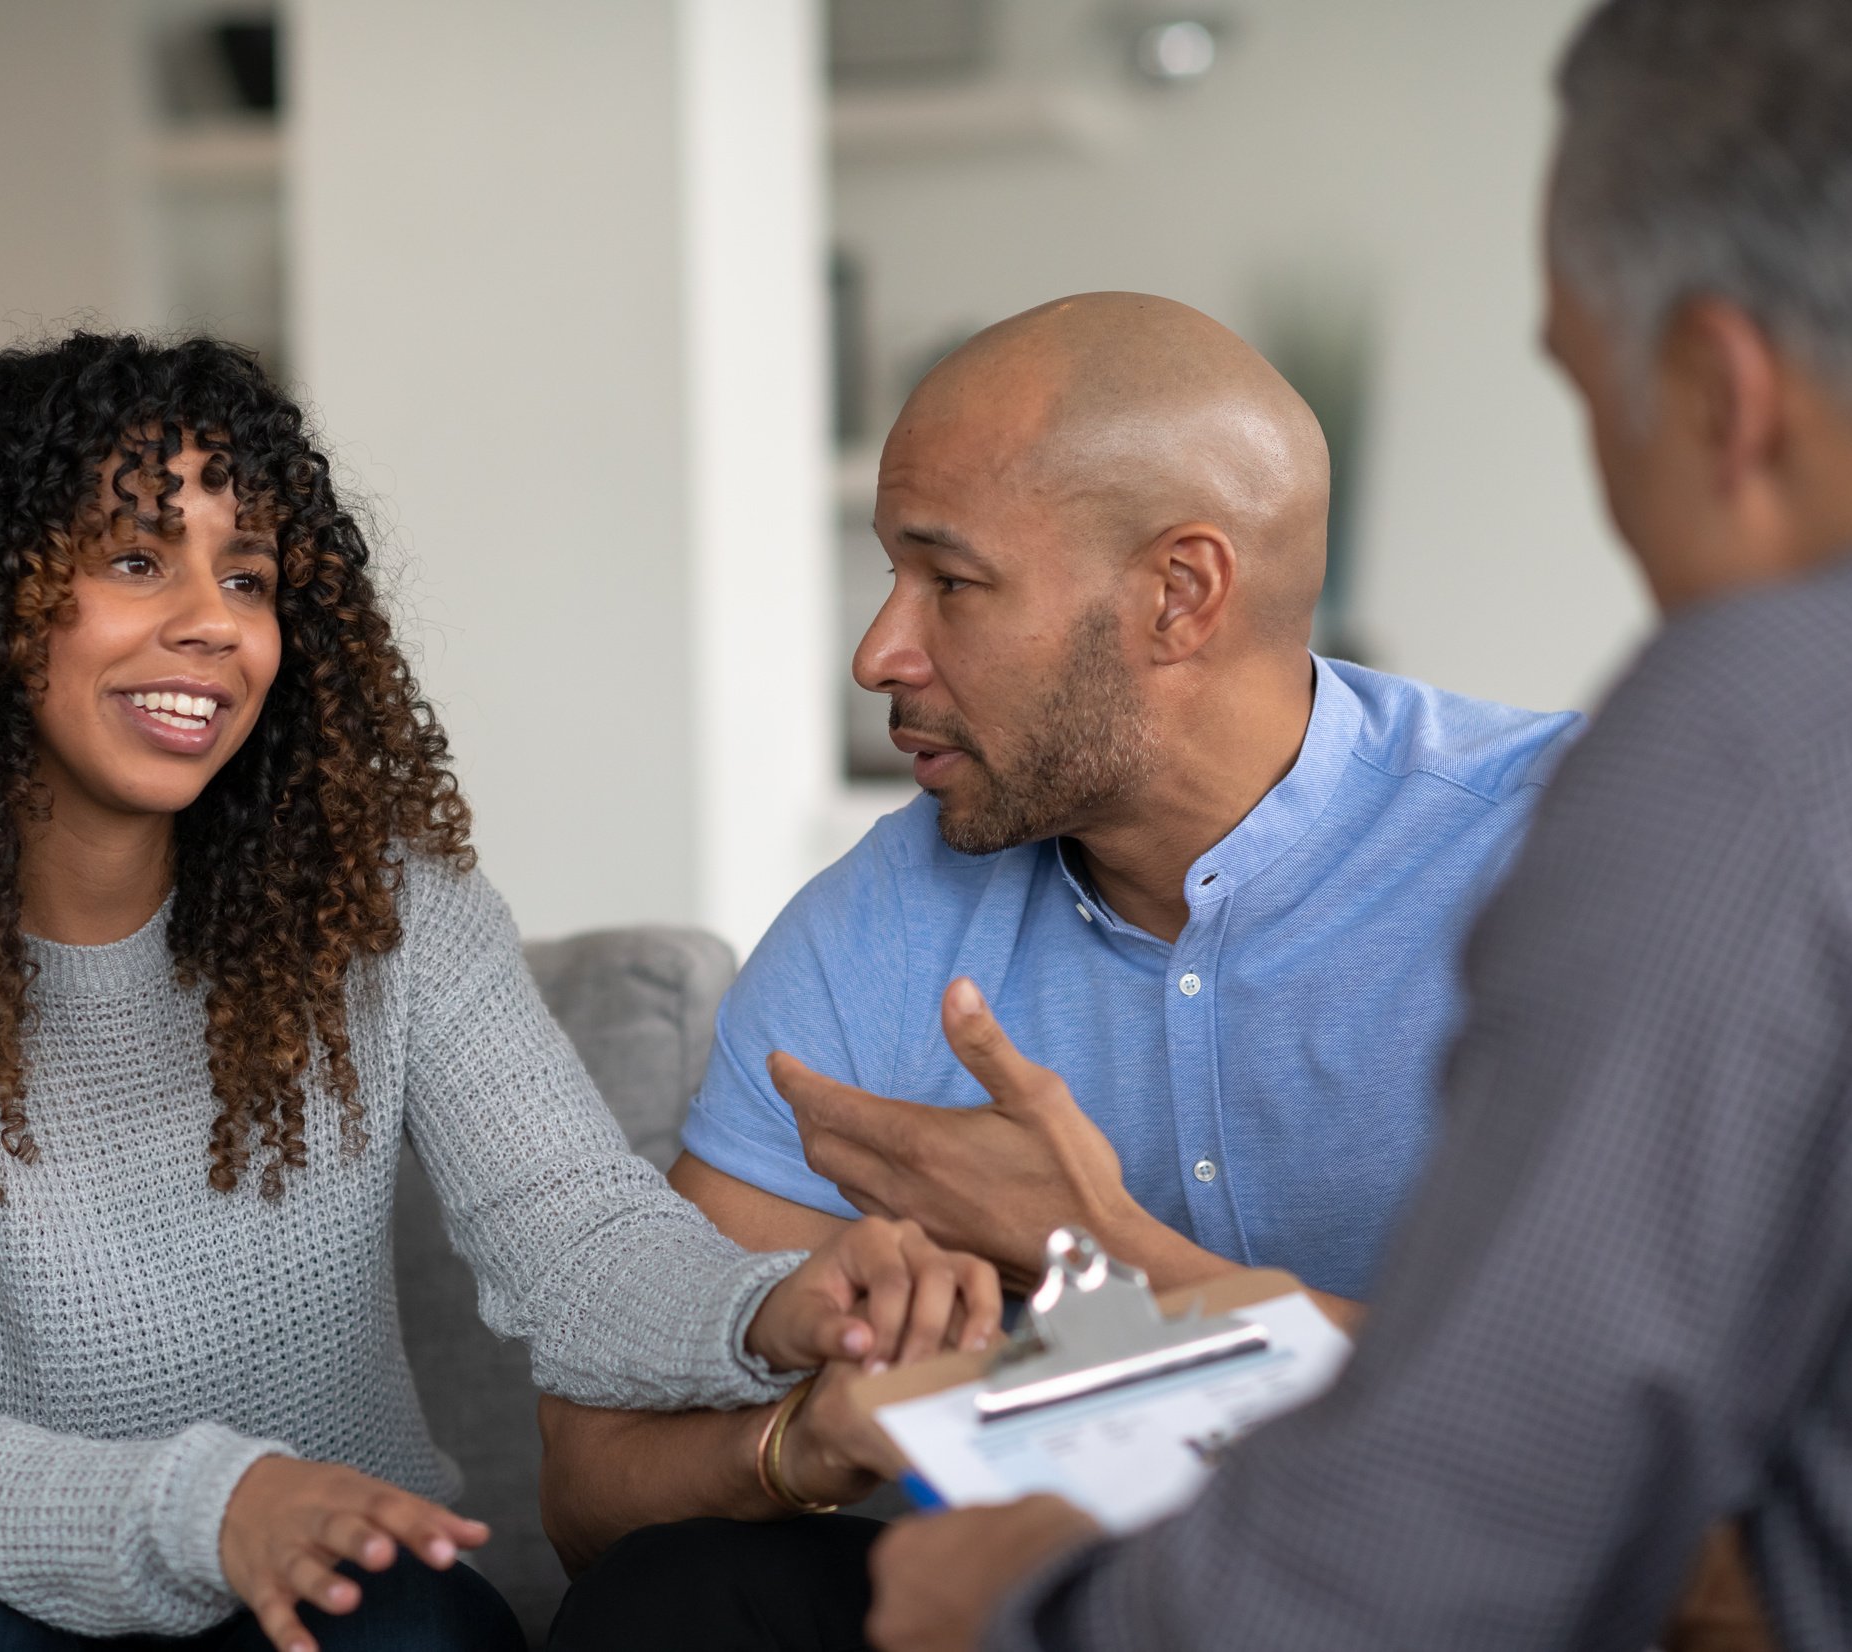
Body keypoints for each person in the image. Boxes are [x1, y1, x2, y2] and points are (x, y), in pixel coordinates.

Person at [865, 1, 1852, 1647]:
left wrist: (1023, 1603)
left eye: (1594, 395)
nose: (889, 649)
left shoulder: (1759, 756)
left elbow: (1457, 1534)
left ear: (1719, 390)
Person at [0, 334, 999, 1652]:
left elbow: (577, 1243)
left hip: (333, 1604)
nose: (214, 622)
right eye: (137, 561)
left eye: (248, 577)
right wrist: (221, 1506)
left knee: (403, 1626)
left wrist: (779, 1305)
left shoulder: (382, 908)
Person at [539, 295, 1581, 1649]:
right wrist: (810, 1434)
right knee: (678, 1600)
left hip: (1471, 1611)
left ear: (1178, 593)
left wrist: (1104, 1261)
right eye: (888, 578)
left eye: (949, 583)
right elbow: (585, 1489)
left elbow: (1656, 1443)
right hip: (1055, 1613)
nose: (878, 653)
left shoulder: (1565, 855)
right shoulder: (877, 928)